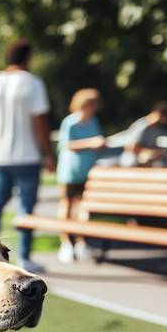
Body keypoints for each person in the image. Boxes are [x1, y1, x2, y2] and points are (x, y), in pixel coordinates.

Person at [0, 39, 55, 274]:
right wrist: (49, 153)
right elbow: (40, 121)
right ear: (27, 58)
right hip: (27, 156)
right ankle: (25, 257)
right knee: (26, 209)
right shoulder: (32, 83)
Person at [55, 89, 106, 263]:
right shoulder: (70, 122)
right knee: (67, 205)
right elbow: (67, 144)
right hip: (70, 172)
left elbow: (97, 141)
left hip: (87, 171)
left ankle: (81, 241)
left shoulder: (93, 122)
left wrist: (99, 144)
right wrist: (90, 143)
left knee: (82, 207)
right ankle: (66, 242)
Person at [120, 102, 167, 167]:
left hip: (148, 163)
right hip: (132, 162)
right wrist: (148, 152)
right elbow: (129, 146)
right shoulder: (141, 125)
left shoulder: (158, 129)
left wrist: (158, 153)